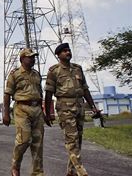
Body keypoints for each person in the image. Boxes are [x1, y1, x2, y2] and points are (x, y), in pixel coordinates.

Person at [44, 43, 99, 176]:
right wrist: (48, 113)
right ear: (58, 55)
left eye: (68, 50)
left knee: (78, 139)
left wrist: (93, 107)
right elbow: (48, 94)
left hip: (79, 106)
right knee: (71, 139)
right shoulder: (54, 71)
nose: (68, 52)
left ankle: (71, 171)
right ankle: (81, 171)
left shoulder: (78, 69)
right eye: (64, 51)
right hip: (64, 108)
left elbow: (85, 89)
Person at [3, 48, 49, 176]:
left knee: (38, 143)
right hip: (22, 109)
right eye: (30, 57)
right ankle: (15, 165)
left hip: (37, 110)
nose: (33, 59)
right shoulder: (14, 74)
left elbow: (40, 94)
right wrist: (6, 114)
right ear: (22, 59)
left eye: (34, 57)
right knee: (24, 140)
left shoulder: (36, 74)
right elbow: (7, 95)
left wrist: (43, 112)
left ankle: (37, 173)